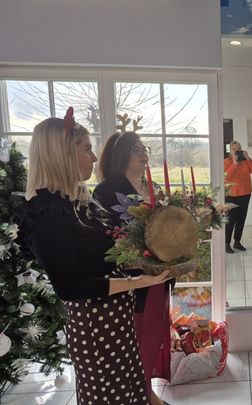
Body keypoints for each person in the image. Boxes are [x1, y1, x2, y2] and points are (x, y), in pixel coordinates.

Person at [15, 108, 170, 405]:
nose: (95, 157)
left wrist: (145, 263)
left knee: (134, 393)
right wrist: (138, 282)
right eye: (86, 149)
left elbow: (104, 257)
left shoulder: (78, 202)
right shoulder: (46, 215)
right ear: (62, 153)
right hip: (96, 329)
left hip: (117, 319)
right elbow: (69, 286)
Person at [93, 132, 173, 405]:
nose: (144, 154)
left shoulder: (153, 187)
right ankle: (142, 394)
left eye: (145, 148)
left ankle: (145, 391)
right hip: (129, 281)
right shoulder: (105, 191)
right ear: (122, 154)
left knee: (152, 336)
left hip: (157, 276)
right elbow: (104, 239)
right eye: (137, 149)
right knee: (135, 339)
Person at [223, 140, 252, 254]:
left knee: (241, 219)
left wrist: (248, 158)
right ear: (230, 151)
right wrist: (234, 164)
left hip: (245, 194)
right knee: (230, 221)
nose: (236, 151)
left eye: (238, 149)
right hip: (232, 196)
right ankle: (227, 243)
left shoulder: (245, 161)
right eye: (234, 149)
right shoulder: (226, 162)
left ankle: (237, 242)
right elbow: (226, 177)